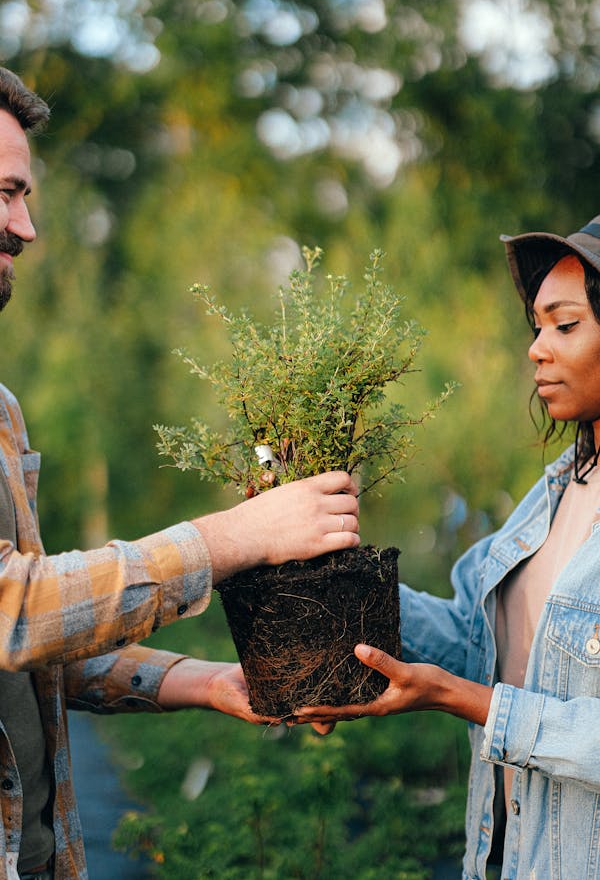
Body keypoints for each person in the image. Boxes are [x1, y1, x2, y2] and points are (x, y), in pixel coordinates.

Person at [0, 67, 360, 880]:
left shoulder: (2, 410)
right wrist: (239, 536)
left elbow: (44, 642)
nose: (26, 226)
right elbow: (13, 611)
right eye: (6, 193)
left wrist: (211, 682)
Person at [295, 214, 600, 879]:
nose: (537, 349)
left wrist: (461, 699)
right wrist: (338, 584)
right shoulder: (554, 493)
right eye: (537, 326)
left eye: (566, 325)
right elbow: (475, 638)